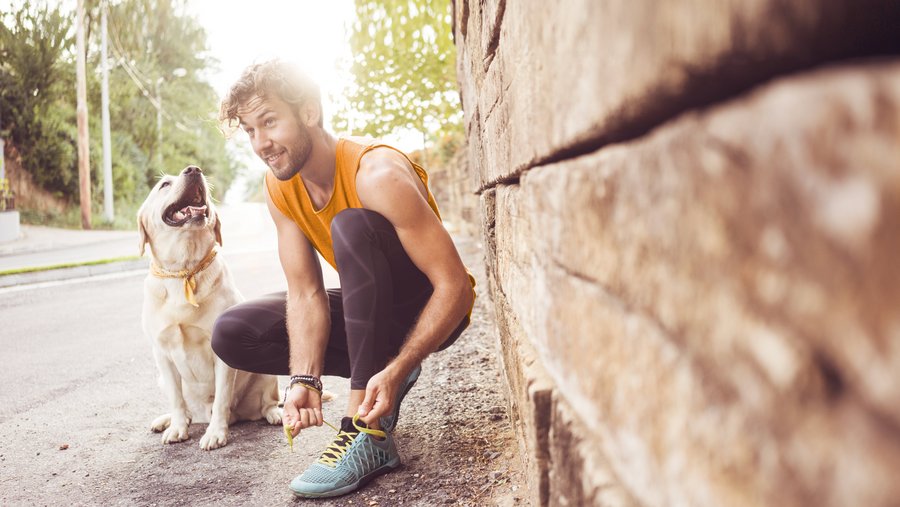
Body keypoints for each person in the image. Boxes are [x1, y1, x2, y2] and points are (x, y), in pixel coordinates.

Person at [211, 59, 477, 498]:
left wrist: (401, 366)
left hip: (429, 308)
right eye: (250, 130)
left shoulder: (376, 173)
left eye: (270, 122)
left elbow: (456, 288)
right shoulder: (280, 187)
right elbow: (305, 292)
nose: (261, 143)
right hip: (370, 307)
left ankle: (365, 432)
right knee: (233, 333)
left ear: (309, 112)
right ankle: (375, 375)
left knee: (351, 226)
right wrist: (304, 380)